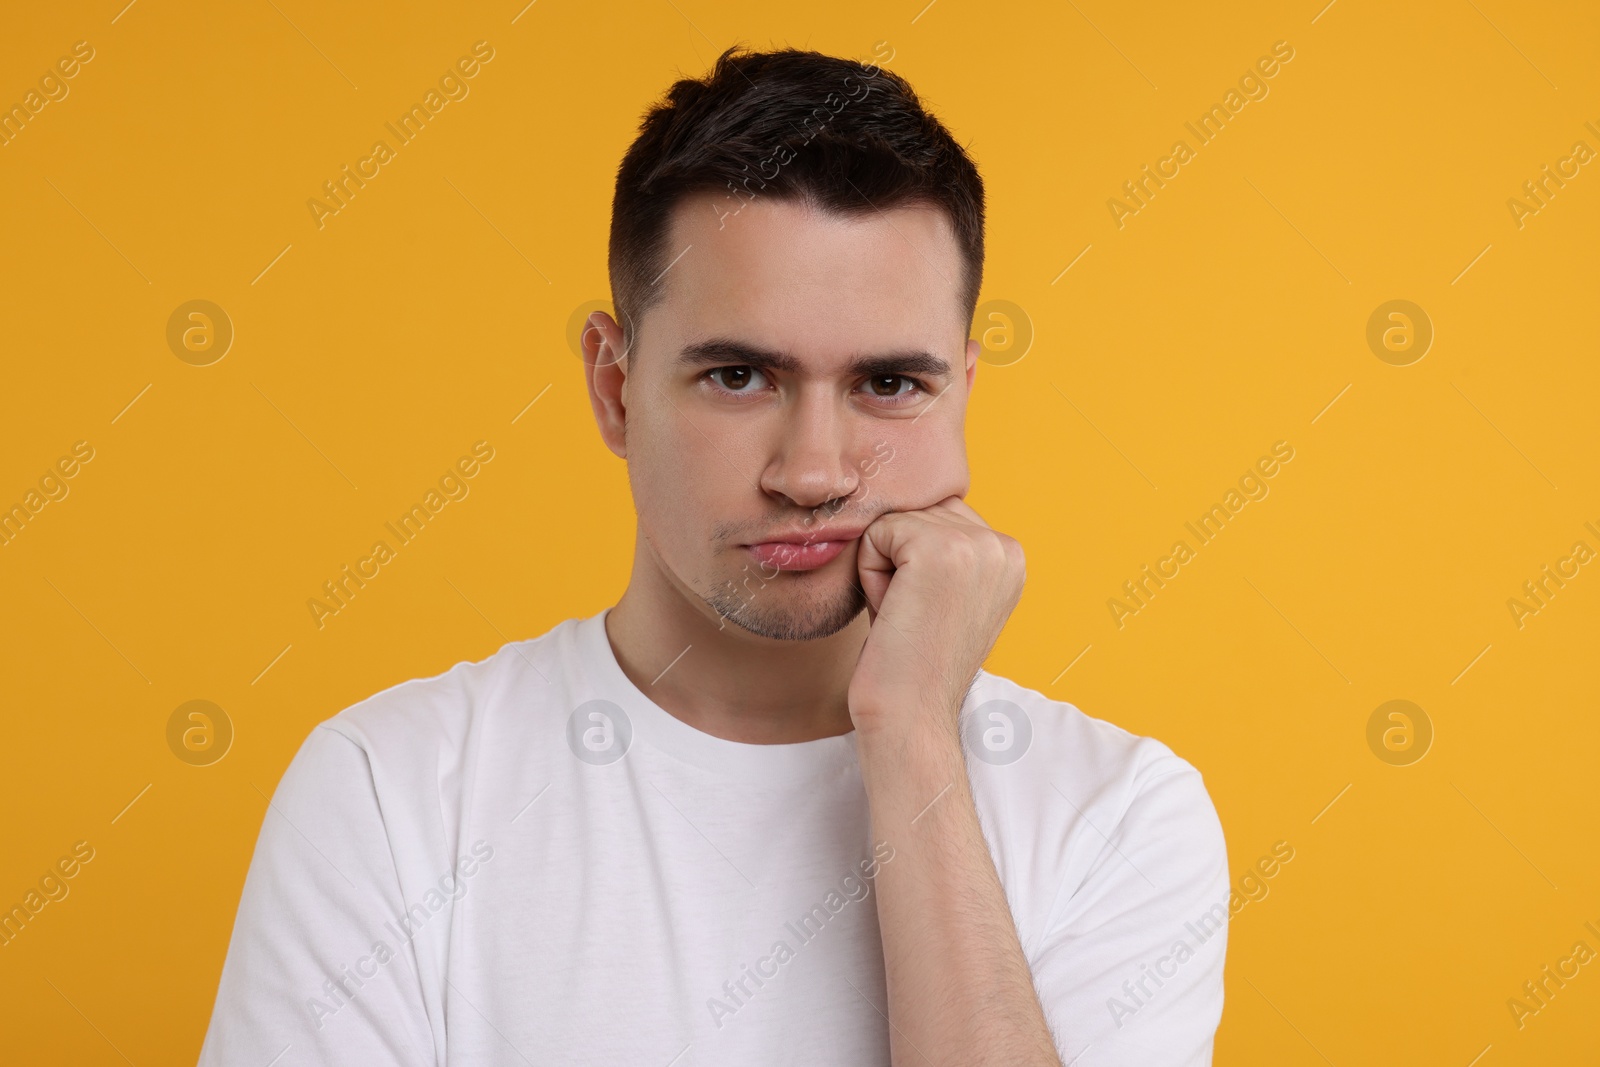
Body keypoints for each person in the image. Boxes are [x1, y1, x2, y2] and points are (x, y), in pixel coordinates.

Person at [198, 45, 1228, 1067]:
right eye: (739, 375)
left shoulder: (1120, 814)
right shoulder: (392, 791)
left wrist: (912, 736)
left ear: (960, 389)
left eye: (889, 384)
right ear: (613, 385)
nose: (814, 471)